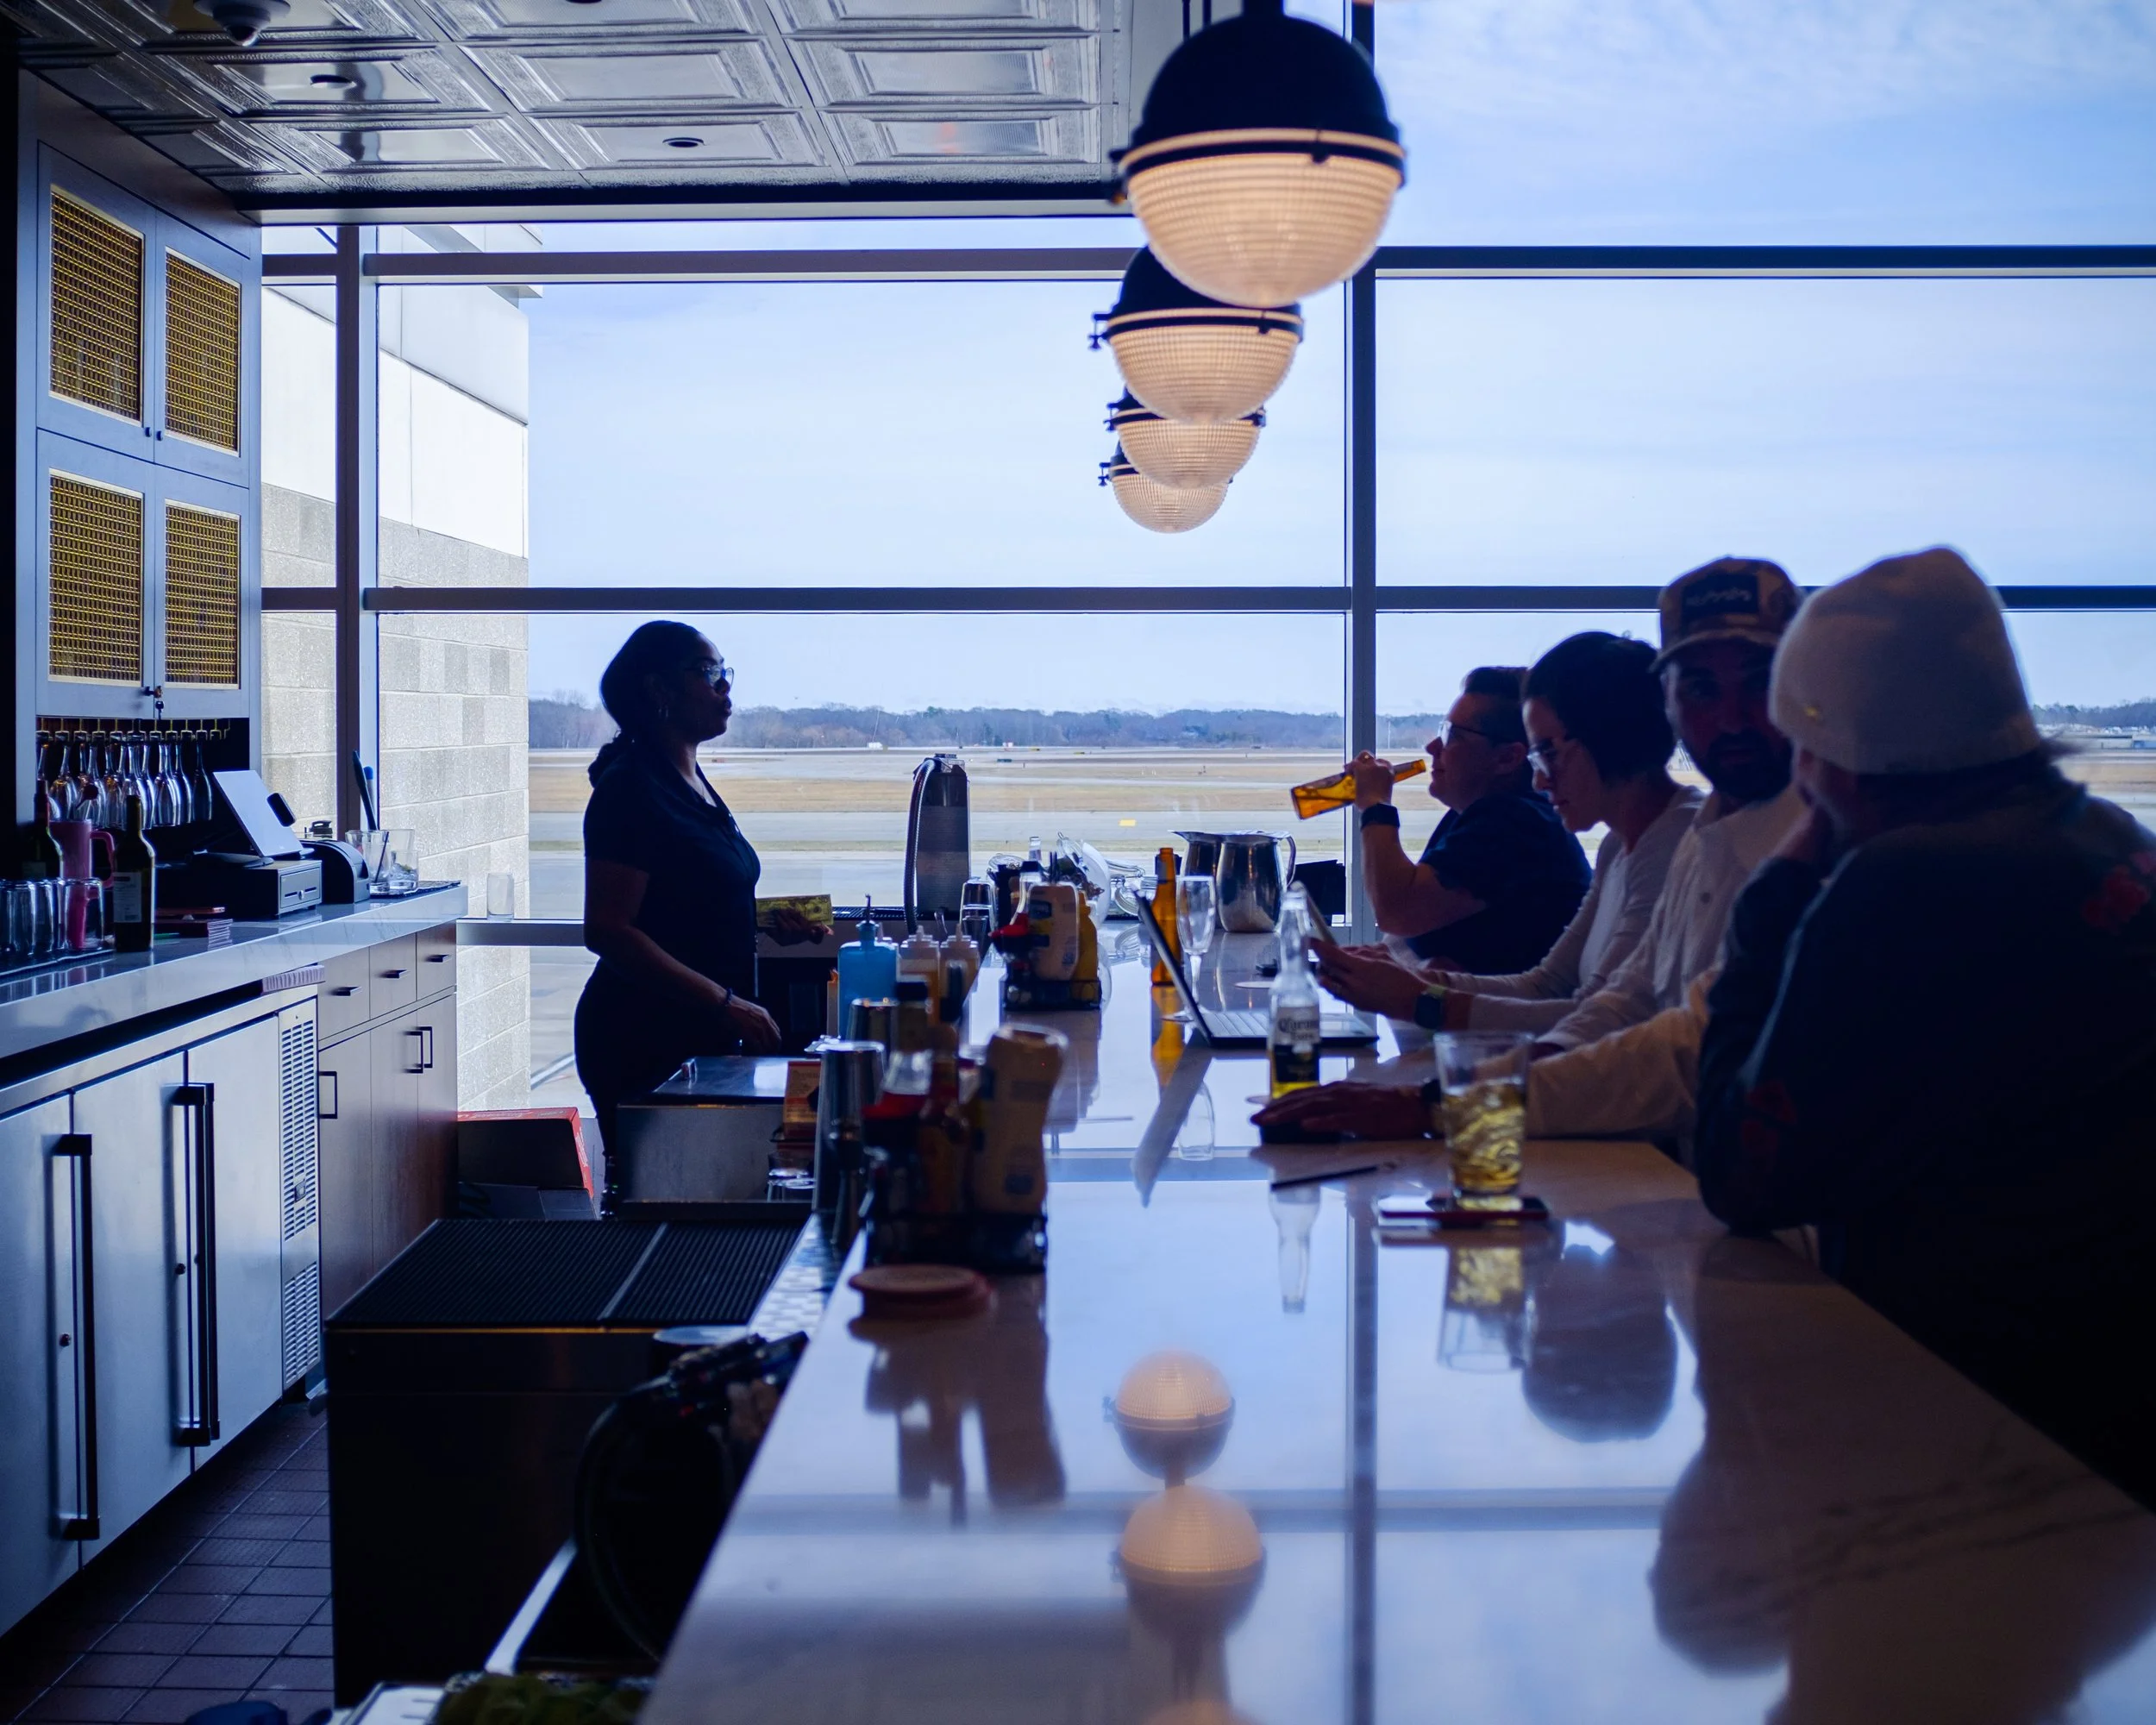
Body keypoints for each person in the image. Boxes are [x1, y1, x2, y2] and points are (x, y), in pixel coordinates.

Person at [1694, 548, 2156, 1505]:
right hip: (2119, 1402)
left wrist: (1775, 896)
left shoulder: (1903, 885)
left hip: (1971, 1422)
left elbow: (1744, 1175)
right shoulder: (2115, 841)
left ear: (1829, 757)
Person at [1258, 555, 1806, 1146]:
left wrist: (1434, 1044)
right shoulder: (1693, 840)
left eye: (1758, 682)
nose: (1728, 716)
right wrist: (1442, 1074)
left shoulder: (1795, 853)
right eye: (1698, 688)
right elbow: (1605, 1007)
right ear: (1668, 703)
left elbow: (1665, 1050)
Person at [1313, 631, 1700, 1032]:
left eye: (1547, 752)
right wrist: (1423, 985)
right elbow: (1549, 985)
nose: (1540, 780)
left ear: (1605, 740)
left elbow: (1601, 1019)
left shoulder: (1675, 847)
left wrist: (1420, 1000)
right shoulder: (1619, 845)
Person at [576, 621, 781, 1208]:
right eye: (710, 674)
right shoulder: (630, 790)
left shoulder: (689, 779)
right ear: (659, 690)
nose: (726, 692)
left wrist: (768, 919)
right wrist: (727, 1002)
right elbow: (609, 930)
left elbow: (689, 897)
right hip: (644, 1037)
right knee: (664, 1219)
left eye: (726, 675)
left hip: (699, 1034)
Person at [1351, 665, 1589, 975]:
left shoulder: (1515, 823)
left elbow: (1396, 910)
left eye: (1453, 736)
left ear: (1507, 758)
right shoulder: (1475, 815)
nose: (1433, 747)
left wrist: (1375, 804)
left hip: (1519, 1023)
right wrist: (1391, 957)